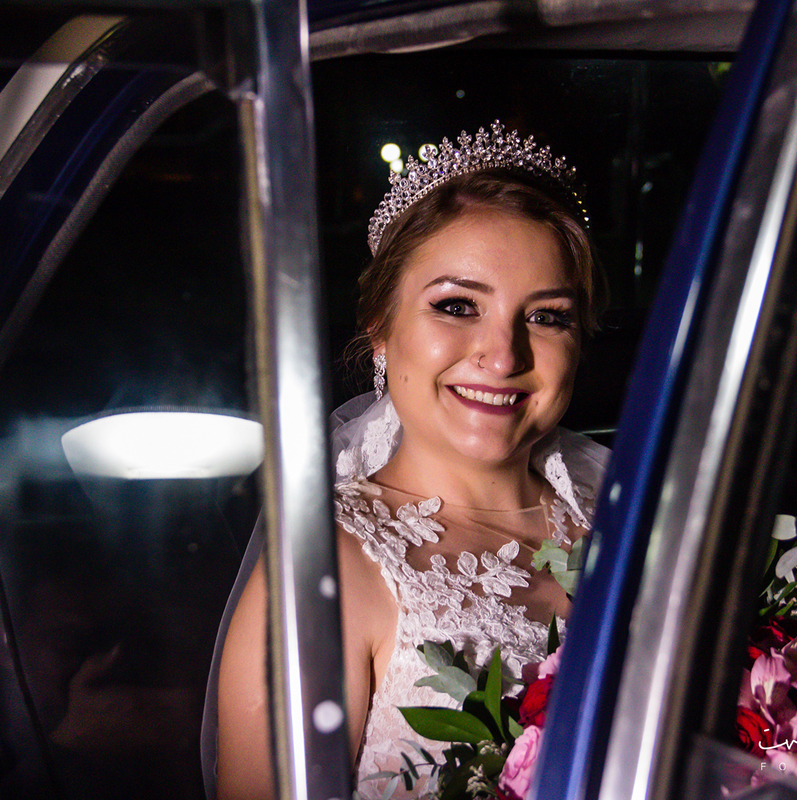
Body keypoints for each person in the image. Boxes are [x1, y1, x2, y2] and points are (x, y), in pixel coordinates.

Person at [214, 122, 610, 800]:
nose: (504, 356)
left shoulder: (631, 523)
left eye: (546, 317)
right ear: (381, 329)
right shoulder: (324, 571)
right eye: (457, 306)